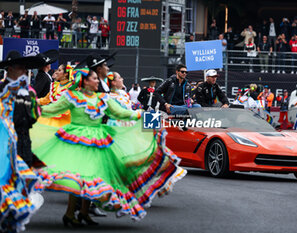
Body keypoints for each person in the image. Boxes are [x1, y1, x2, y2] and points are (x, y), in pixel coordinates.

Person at [32, 68, 186, 226]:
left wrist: (144, 115)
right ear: (85, 81)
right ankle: (70, 214)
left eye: (97, 79)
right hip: (77, 140)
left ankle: (84, 213)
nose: (97, 81)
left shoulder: (103, 98)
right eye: (94, 78)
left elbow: (121, 113)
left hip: (98, 140)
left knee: (94, 177)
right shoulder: (71, 97)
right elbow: (51, 109)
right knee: (79, 177)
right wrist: (29, 107)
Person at [0, 50, 45, 233]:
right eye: (20, 68)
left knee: (20, 182)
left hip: (23, 141)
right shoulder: (1, 88)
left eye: (25, 69)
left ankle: (11, 221)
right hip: (3, 143)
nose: (24, 72)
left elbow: (35, 116)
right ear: (10, 68)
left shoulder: (29, 91)